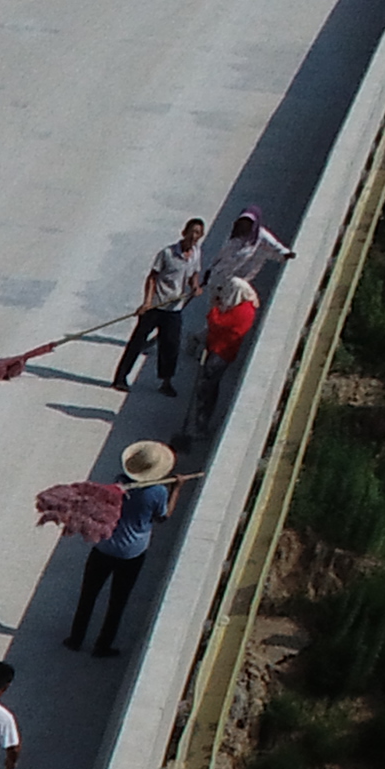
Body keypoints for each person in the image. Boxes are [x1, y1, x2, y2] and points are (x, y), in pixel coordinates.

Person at [65, 443, 185, 654]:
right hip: (132, 553)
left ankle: (76, 638)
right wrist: (176, 489)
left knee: (88, 595)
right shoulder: (157, 492)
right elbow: (162, 517)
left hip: (104, 547)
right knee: (117, 601)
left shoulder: (119, 482)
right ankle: (103, 645)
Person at [115, 218, 204, 394]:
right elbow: (152, 277)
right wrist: (147, 302)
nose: (194, 236)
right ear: (184, 232)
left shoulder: (196, 254)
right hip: (155, 306)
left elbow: (194, 274)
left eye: (198, 233)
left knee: (170, 346)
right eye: (192, 232)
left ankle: (166, 382)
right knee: (137, 342)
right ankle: (120, 378)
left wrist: (195, 287)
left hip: (174, 309)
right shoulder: (167, 253)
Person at [197, 273, 263, 430]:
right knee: (208, 386)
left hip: (221, 353)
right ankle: (200, 419)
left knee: (208, 388)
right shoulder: (242, 306)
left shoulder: (243, 311)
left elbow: (217, 323)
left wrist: (214, 308)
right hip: (217, 348)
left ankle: (201, 423)